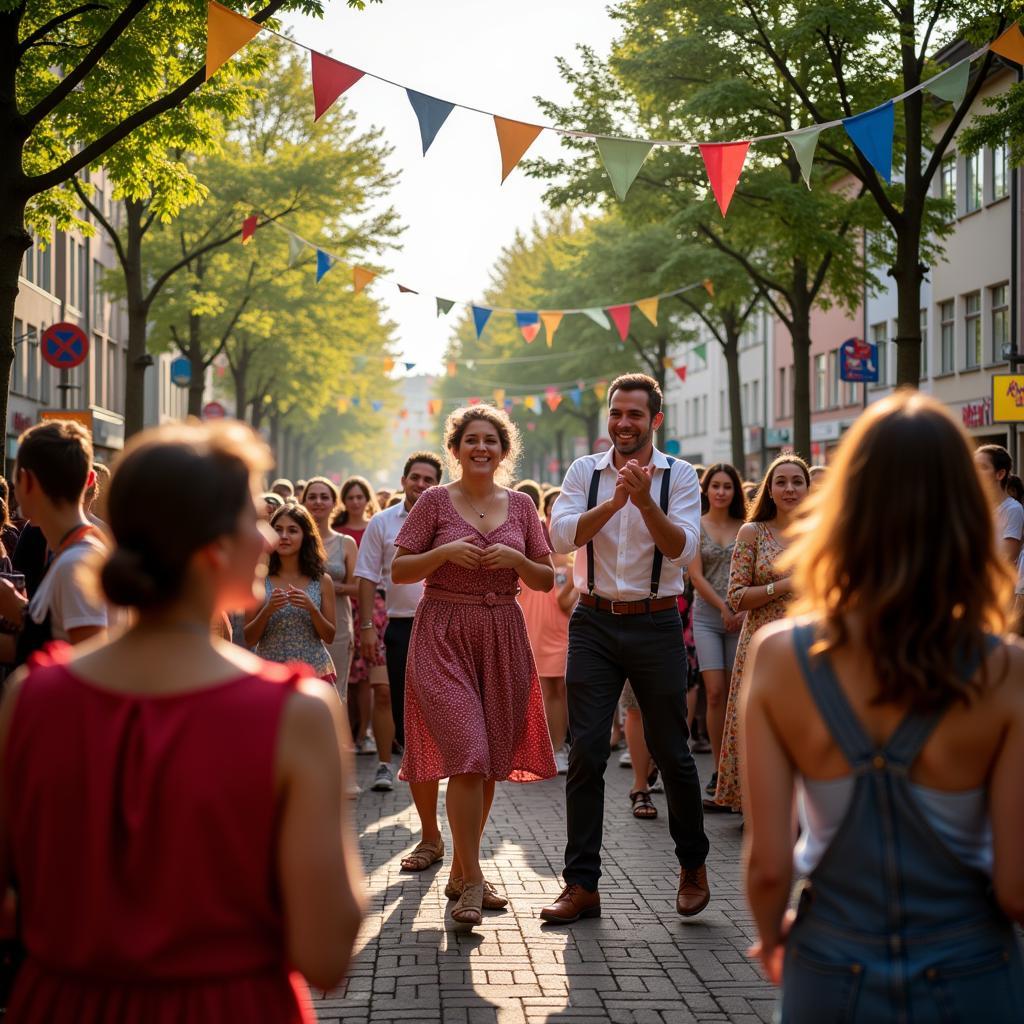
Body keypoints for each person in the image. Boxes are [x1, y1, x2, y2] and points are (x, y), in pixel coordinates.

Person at [0, 420, 363, 1022]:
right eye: (254, 517)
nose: (270, 538)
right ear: (212, 547)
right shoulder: (296, 713)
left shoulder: (29, 698)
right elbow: (324, 952)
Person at [740, 393, 1024, 1022]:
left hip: (830, 961)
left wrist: (771, 936)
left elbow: (767, 863)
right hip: (973, 967)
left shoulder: (781, 655)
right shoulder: (1006, 667)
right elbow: (1016, 886)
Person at [542, 373, 710, 925]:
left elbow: (683, 548)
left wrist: (645, 503)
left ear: (654, 420)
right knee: (587, 752)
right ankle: (582, 884)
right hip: (592, 621)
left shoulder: (680, 475)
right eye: (616, 413)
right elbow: (561, 537)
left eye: (635, 414)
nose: (623, 423)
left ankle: (693, 864)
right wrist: (616, 502)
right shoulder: (584, 472)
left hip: (656, 622)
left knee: (673, 752)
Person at [392, 405, 556, 927]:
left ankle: (461, 872)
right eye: (471, 440)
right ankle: (475, 877)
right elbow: (398, 569)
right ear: (455, 449)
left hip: (502, 634)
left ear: (504, 450)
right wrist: (444, 554)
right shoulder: (435, 501)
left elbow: (546, 580)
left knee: (486, 761)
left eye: (491, 440)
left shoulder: (525, 506)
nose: (481, 448)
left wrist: (517, 562)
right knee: (468, 752)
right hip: (441, 632)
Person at [713, 455, 809, 812]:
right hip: (762, 645)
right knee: (761, 727)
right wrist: (784, 585)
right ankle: (757, 805)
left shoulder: (819, 533)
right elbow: (736, 597)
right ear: (769, 489)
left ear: (807, 488)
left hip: (807, 644)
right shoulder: (752, 532)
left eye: (797, 482)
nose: (789, 489)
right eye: (781, 482)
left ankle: (801, 808)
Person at [356, 453, 444, 803]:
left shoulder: (448, 520)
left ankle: (434, 764)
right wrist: (365, 626)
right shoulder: (382, 522)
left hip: (441, 623)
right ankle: (391, 762)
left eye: (428, 480)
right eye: (415, 478)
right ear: (404, 480)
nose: (420, 485)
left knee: (438, 700)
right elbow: (365, 575)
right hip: (399, 625)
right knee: (392, 698)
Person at [0, 421, 108, 653]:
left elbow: (88, 661)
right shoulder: (76, 551)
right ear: (90, 480)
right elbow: (55, 641)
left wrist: (16, 607)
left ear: (26, 481)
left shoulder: (76, 563)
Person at [687, 464, 747, 806]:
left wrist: (739, 609)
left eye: (727, 486)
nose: (721, 492)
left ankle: (734, 767)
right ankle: (717, 769)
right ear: (706, 490)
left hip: (743, 616)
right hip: (709, 616)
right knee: (714, 693)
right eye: (715, 486)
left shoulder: (747, 527)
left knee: (738, 696)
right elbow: (695, 576)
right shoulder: (696, 526)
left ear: (735, 491)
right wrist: (724, 609)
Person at [518, 486, 576, 774]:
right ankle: (533, 747)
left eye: (560, 512)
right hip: (531, 627)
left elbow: (565, 603)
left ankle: (557, 748)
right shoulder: (529, 549)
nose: (555, 518)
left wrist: (576, 580)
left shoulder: (573, 559)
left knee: (556, 689)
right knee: (533, 690)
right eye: (551, 512)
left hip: (561, 630)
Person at [245, 503, 337, 682]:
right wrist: (267, 610)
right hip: (269, 675)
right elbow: (249, 638)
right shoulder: (259, 578)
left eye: (293, 530)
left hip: (315, 674)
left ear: (306, 536)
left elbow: (330, 636)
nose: (284, 536)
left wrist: (312, 609)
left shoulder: (322, 581)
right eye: (278, 529)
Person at [334, 477, 385, 753]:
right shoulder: (336, 532)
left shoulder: (373, 528)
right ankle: (348, 727)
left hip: (368, 606)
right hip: (340, 610)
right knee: (344, 673)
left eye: (359, 497)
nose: (355, 502)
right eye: (350, 497)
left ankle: (364, 731)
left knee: (365, 674)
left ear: (367, 500)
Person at [302, 477, 357, 700]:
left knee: (334, 691)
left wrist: (330, 587)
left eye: (324, 497)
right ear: (303, 501)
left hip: (338, 625)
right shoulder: (293, 539)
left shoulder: (346, 542)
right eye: (312, 497)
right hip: (299, 621)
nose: (318, 502)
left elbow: (358, 587)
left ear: (334, 503)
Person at [975, 444, 1023, 567]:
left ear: (1000, 474)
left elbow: (1006, 557)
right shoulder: (974, 506)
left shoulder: (1013, 509)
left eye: (982, 467)